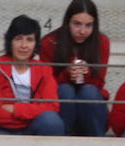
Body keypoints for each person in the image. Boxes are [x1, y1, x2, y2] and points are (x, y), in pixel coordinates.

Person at [0, 15, 63, 135]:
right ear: (10, 41)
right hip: (3, 129)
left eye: (29, 40)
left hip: (34, 126)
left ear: (36, 44)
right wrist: (34, 112)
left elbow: (52, 107)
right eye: (18, 39)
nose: (24, 45)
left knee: (51, 121)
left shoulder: (44, 69)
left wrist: (15, 109)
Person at [41, 0, 110, 136]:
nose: (82, 31)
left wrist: (87, 74)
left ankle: (98, 144)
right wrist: (66, 74)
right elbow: (45, 84)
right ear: (68, 22)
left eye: (88, 25)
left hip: (91, 111)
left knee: (88, 91)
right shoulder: (49, 41)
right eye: (77, 24)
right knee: (65, 90)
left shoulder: (102, 41)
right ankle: (64, 139)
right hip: (62, 107)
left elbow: (100, 83)